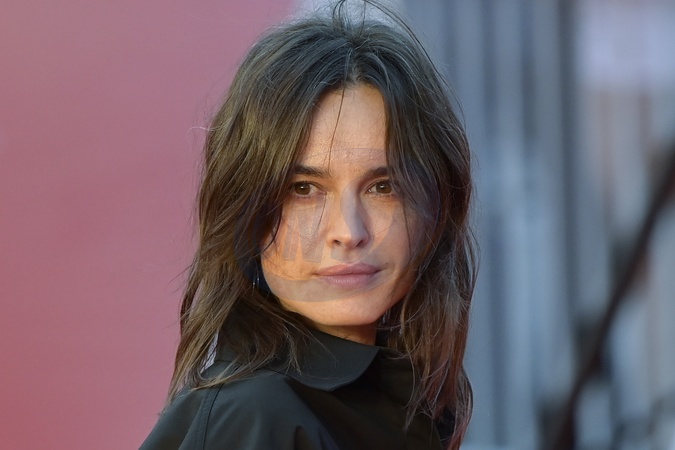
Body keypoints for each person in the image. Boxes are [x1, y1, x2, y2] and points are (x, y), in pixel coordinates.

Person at [140, 1, 476, 449]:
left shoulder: (405, 405)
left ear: (437, 209)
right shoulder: (257, 417)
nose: (348, 231)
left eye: (383, 187)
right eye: (304, 189)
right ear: (246, 211)